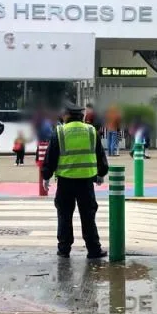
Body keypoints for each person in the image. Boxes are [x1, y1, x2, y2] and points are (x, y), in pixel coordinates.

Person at [41, 102, 109, 259]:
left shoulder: (59, 132)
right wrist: (101, 173)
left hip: (65, 182)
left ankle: (64, 249)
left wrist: (46, 176)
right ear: (82, 115)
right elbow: (100, 156)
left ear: (66, 116)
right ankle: (93, 250)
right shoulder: (91, 131)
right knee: (88, 216)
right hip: (86, 182)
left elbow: (50, 158)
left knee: (64, 216)